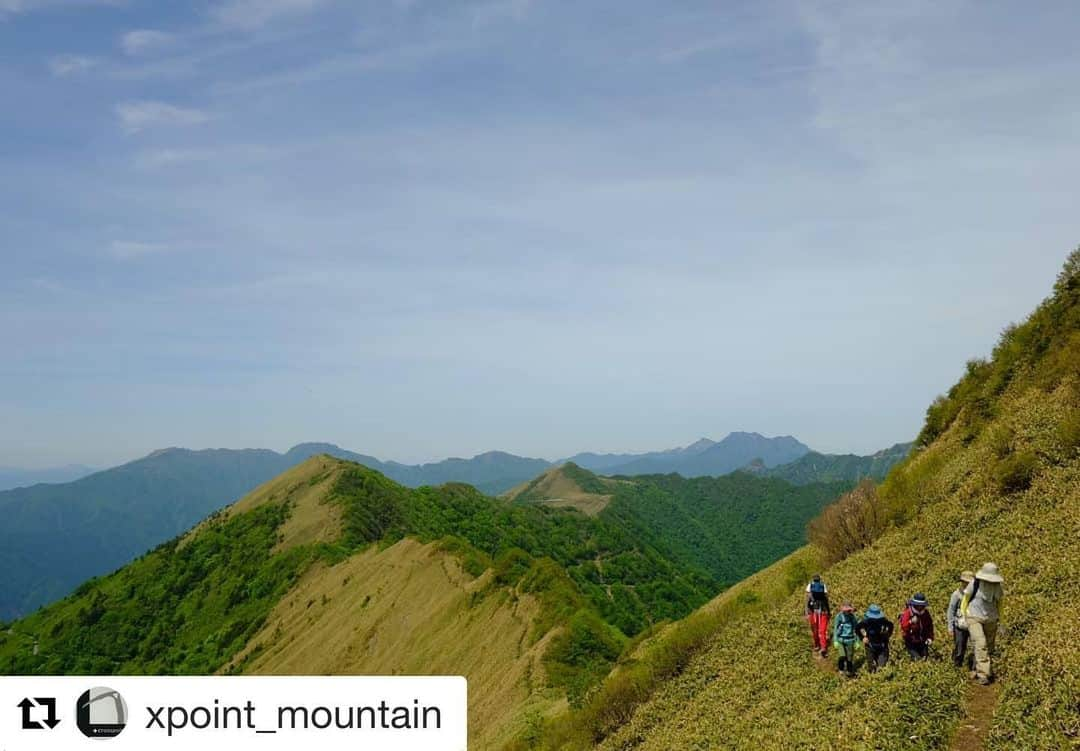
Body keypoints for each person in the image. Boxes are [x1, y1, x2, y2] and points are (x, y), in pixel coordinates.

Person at [963, 562, 1005, 685]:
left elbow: (1000, 605)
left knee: (989, 646)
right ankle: (984, 674)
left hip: (991, 619)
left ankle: (976, 666)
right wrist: (963, 614)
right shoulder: (974, 583)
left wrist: (1001, 622)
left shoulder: (998, 587)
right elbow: (965, 600)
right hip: (974, 616)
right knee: (980, 643)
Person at [947, 570, 975, 667]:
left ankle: (972, 668)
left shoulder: (975, 594)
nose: (966, 584)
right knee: (959, 648)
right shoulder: (956, 594)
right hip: (959, 625)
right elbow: (951, 611)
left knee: (974, 648)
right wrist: (950, 627)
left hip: (972, 624)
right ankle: (956, 666)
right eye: (965, 582)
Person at [856, 604, 893, 672]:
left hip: (882, 646)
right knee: (871, 666)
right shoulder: (866, 621)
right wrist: (862, 638)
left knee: (881, 667)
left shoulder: (883, 620)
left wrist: (888, 634)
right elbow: (857, 628)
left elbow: (891, 625)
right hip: (870, 645)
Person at [899, 593, 935, 660]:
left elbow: (930, 626)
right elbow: (904, 627)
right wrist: (910, 622)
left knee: (925, 658)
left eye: (922, 605)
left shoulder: (925, 613)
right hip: (910, 641)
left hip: (923, 640)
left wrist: (930, 637)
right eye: (919, 605)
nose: (920, 607)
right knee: (916, 659)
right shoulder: (908, 613)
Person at [805, 575, 831, 658]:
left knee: (814, 629)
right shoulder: (823, 586)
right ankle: (823, 647)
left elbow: (807, 599)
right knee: (822, 630)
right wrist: (828, 611)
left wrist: (806, 611)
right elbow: (826, 599)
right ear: (820, 580)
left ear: (813, 579)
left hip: (813, 611)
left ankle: (817, 645)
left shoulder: (810, 586)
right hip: (823, 610)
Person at [833, 602, 860, 677]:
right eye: (846, 610)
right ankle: (841, 670)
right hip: (840, 639)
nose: (847, 612)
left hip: (850, 640)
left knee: (849, 657)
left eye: (848, 610)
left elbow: (856, 629)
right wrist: (835, 640)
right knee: (842, 656)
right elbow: (835, 628)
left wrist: (857, 641)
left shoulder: (852, 617)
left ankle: (849, 671)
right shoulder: (839, 616)